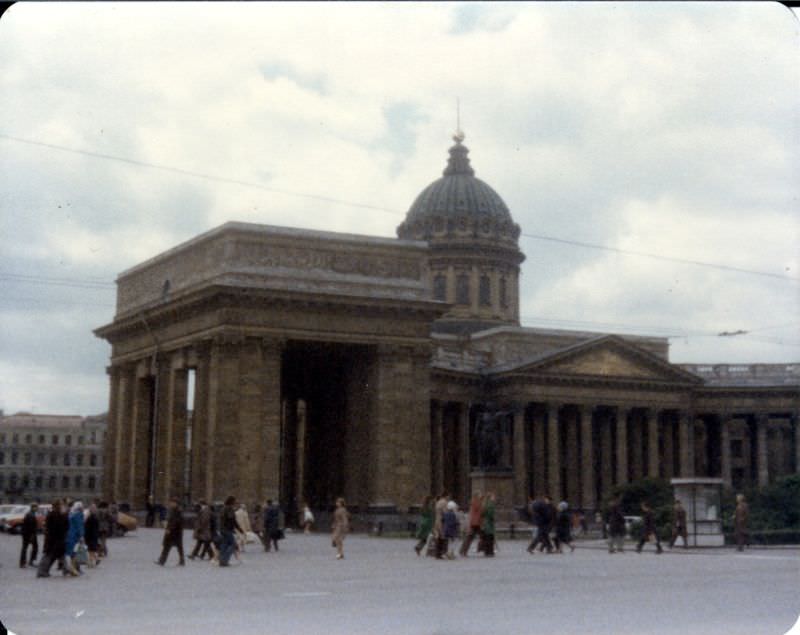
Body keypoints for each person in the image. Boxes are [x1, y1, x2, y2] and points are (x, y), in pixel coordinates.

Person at [37, 500, 69, 578]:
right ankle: (42, 572)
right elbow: (64, 526)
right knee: (50, 556)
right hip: (55, 539)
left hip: (55, 539)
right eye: (61, 505)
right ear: (58, 506)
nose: (62, 507)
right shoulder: (56, 515)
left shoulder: (53, 515)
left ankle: (66, 570)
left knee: (58, 555)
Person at [155, 498, 185, 566]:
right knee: (171, 547)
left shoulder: (178, 511)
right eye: (171, 502)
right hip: (175, 532)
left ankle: (162, 561)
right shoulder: (173, 510)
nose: (171, 504)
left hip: (175, 532)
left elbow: (176, 521)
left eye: (172, 503)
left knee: (174, 547)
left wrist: (170, 529)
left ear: (176, 503)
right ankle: (162, 560)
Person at [219, 496, 243, 566]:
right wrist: (239, 529)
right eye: (234, 501)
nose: (235, 503)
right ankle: (225, 560)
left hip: (222, 529)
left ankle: (221, 560)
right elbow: (232, 520)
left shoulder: (223, 508)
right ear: (231, 502)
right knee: (233, 544)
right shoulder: (229, 509)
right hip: (227, 529)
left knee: (224, 544)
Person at [459, 491, 483, 557]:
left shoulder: (475, 501)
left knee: (470, 537)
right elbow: (481, 510)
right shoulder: (476, 502)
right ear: (477, 496)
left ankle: (463, 551)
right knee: (470, 537)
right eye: (480, 494)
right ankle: (463, 551)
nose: (481, 495)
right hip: (475, 523)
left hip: (475, 522)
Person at [65, 501, 85, 576]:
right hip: (74, 536)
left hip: (68, 535)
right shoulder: (79, 515)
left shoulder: (71, 514)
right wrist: (82, 536)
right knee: (74, 553)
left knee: (70, 553)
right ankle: (72, 569)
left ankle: (71, 568)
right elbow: (79, 526)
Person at [20, 503, 39, 568]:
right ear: (33, 507)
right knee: (34, 547)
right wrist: (32, 535)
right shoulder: (31, 515)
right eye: (36, 507)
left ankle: (24, 562)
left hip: (26, 534)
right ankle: (28, 561)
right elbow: (31, 527)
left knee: (25, 548)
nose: (37, 509)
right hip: (29, 534)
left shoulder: (30, 514)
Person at [479, 492, 496, 557]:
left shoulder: (485, 504)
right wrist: (493, 518)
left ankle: (486, 551)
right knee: (490, 538)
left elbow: (482, 513)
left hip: (485, 523)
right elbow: (491, 514)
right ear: (490, 497)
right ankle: (490, 551)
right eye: (493, 497)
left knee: (486, 538)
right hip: (489, 523)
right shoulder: (490, 504)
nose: (494, 498)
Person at [432, 493, 449, 559]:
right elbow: (445, 512)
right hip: (442, 521)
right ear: (446, 496)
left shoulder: (438, 502)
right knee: (442, 537)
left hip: (437, 520)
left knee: (438, 536)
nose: (448, 498)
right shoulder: (444, 502)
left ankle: (437, 553)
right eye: (448, 496)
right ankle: (441, 552)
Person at [84, 503, 101, 568]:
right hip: (94, 535)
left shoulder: (90, 517)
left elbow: (87, 527)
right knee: (92, 549)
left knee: (90, 550)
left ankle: (91, 563)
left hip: (90, 535)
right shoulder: (95, 517)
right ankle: (96, 559)